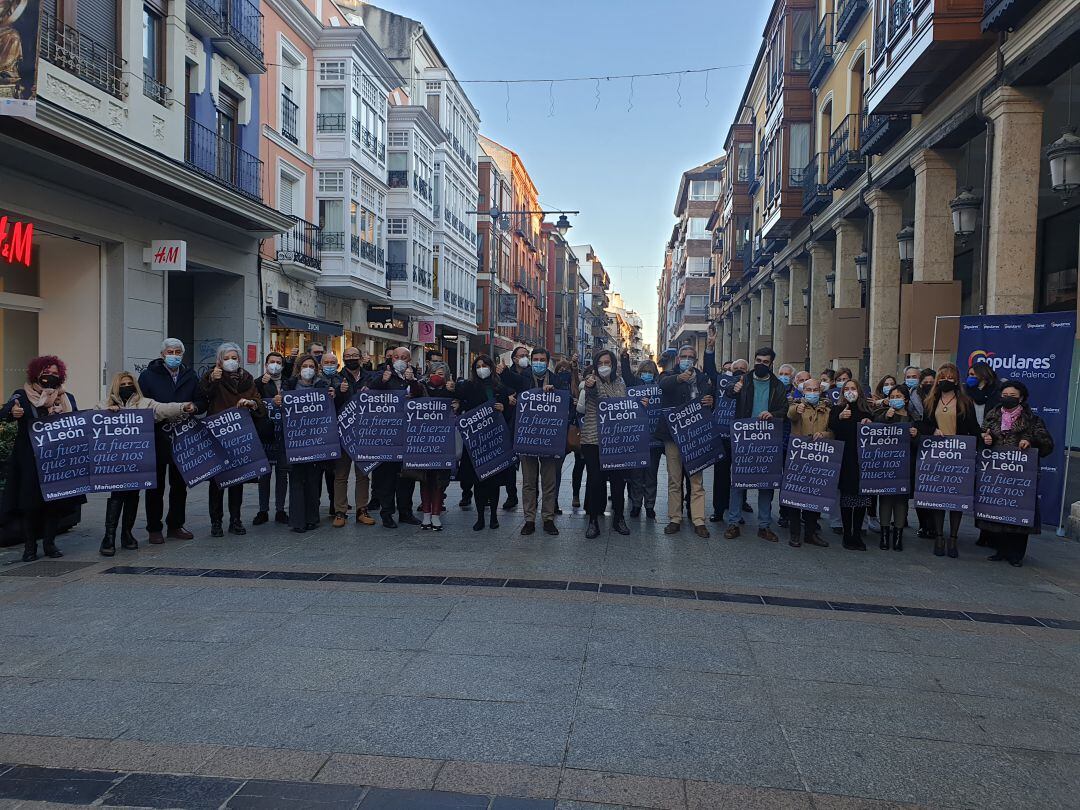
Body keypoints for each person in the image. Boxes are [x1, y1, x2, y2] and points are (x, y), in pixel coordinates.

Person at [98, 372, 194, 556]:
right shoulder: (105, 404)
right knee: (117, 495)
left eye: (129, 383)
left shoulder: (145, 403)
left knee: (133, 495)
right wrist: (106, 413)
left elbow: (164, 408)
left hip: (136, 460)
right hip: (116, 462)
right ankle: (109, 537)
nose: (127, 387)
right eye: (123, 384)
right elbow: (92, 421)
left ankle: (127, 533)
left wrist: (183, 406)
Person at [0, 356, 83, 562]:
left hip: (57, 459)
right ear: (36, 373)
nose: (50, 376)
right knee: (30, 504)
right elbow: (4, 412)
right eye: (46, 372)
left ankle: (49, 543)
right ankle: (30, 546)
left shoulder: (67, 398)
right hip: (29, 459)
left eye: (55, 373)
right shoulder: (21, 395)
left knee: (54, 502)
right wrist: (12, 412)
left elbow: (77, 422)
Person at [978, 381, 1053, 567]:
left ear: (1021, 398)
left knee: (1019, 513)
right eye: (1005, 395)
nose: (1008, 398)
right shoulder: (992, 417)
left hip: (1021, 475)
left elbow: (1047, 445)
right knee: (999, 511)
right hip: (997, 472)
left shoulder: (1032, 420)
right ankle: (1000, 550)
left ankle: (1016, 554)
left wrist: (1030, 440)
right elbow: (981, 439)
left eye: (1012, 395)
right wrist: (985, 438)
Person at [139, 338, 203, 544]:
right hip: (157, 436)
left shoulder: (190, 375)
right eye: (170, 352)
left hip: (182, 437)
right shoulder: (148, 376)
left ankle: (176, 524)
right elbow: (141, 403)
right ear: (162, 354)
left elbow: (202, 400)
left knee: (179, 485)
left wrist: (196, 407)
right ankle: (154, 528)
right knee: (155, 486)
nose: (174, 356)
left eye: (177, 352)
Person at [200, 342, 264, 537]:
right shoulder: (211, 376)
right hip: (218, 434)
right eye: (226, 358)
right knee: (217, 481)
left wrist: (252, 403)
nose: (230, 362)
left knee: (238, 479)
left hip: (239, 435)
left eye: (234, 358)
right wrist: (212, 380)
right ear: (219, 360)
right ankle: (216, 521)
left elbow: (259, 402)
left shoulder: (247, 379)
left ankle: (235, 520)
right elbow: (203, 397)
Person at [724, 348, 787, 543]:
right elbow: (729, 393)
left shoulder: (777, 385)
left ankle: (764, 526)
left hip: (767, 438)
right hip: (744, 436)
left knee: (766, 482)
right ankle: (733, 523)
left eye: (765, 361)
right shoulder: (744, 380)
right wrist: (733, 389)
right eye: (758, 360)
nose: (761, 364)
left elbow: (784, 408)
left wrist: (773, 414)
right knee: (738, 480)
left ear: (771, 364)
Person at [918, 362, 980, 557]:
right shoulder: (931, 400)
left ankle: (953, 537)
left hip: (959, 454)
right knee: (939, 496)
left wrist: (986, 439)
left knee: (956, 497)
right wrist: (932, 430)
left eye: (950, 377)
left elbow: (973, 427)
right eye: (942, 377)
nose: (946, 381)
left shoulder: (964, 402)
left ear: (956, 379)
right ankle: (939, 536)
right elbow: (923, 425)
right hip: (938, 453)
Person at [658, 344, 715, 538]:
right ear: (678, 359)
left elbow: (710, 395)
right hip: (673, 436)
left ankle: (698, 520)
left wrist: (711, 402)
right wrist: (677, 378)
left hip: (695, 436)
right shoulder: (668, 375)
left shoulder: (702, 378)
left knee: (696, 481)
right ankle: (675, 518)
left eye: (691, 357)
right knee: (674, 480)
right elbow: (663, 386)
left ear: (695, 360)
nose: (687, 359)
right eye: (684, 356)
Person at [455, 355, 514, 531]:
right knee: (478, 481)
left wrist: (504, 408)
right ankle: (480, 517)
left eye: (485, 365)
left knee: (494, 482)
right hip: (475, 442)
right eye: (478, 366)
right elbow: (458, 402)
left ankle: (494, 516)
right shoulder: (468, 386)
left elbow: (508, 413)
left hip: (494, 440)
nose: (482, 369)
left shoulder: (500, 387)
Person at [369, 347, 424, 528]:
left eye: (404, 358)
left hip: (408, 435)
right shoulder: (382, 375)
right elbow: (369, 396)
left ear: (409, 361)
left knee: (406, 477)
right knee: (387, 478)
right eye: (396, 357)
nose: (399, 360)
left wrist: (413, 382)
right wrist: (382, 382)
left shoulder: (413, 378)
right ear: (391, 359)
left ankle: (405, 512)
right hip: (387, 435)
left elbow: (422, 398)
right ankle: (387, 513)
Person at [578, 351, 631, 538]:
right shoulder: (592, 381)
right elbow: (591, 391)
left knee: (618, 481)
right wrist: (589, 385)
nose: (604, 365)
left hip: (616, 439)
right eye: (600, 362)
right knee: (595, 480)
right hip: (593, 439)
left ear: (613, 364)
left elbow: (626, 404)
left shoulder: (621, 382)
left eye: (607, 362)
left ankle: (619, 519)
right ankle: (593, 521)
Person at [516, 348, 567, 537]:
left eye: (542, 360)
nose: (538, 362)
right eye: (535, 359)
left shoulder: (556, 380)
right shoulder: (522, 378)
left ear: (547, 362)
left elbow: (566, 399)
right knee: (529, 481)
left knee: (549, 481)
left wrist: (554, 393)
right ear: (531, 361)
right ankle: (529, 519)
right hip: (527, 437)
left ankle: (548, 518)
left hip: (549, 438)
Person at [828, 378, 876, 551]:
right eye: (846, 388)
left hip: (863, 460)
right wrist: (840, 417)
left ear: (859, 391)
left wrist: (870, 424)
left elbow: (876, 431)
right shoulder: (837, 409)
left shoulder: (867, 411)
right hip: (846, 459)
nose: (850, 391)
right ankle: (847, 534)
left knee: (861, 498)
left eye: (853, 388)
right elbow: (831, 427)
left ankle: (857, 533)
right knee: (847, 497)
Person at [784, 377, 832, 548]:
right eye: (808, 390)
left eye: (815, 390)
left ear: (820, 391)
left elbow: (832, 430)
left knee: (814, 494)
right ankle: (795, 534)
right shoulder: (797, 405)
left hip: (818, 456)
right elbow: (790, 415)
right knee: (795, 496)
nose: (812, 393)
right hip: (799, 456)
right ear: (803, 391)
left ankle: (811, 533)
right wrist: (797, 409)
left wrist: (825, 435)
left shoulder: (827, 409)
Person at [332, 346, 376, 527]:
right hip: (343, 432)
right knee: (341, 475)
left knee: (363, 474)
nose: (351, 358)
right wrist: (338, 392)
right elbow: (329, 403)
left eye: (354, 356)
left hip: (364, 432)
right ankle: (340, 511)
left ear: (360, 358)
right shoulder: (336, 378)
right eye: (347, 356)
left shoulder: (370, 377)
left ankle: (362, 509)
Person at [873, 382, 917, 552]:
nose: (895, 400)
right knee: (885, 500)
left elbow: (919, 444)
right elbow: (873, 431)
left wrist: (916, 435)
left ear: (905, 399)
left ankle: (898, 536)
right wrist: (886, 418)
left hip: (904, 465)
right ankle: (884, 535)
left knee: (901, 501)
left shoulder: (913, 418)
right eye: (892, 397)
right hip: (886, 464)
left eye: (898, 397)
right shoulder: (883, 414)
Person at [417, 363, 456, 530]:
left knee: (440, 480)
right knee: (425, 479)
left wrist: (454, 396)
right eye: (433, 373)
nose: (436, 376)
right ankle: (426, 513)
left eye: (440, 373)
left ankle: (436, 514)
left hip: (442, 441)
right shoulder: (420, 387)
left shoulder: (451, 389)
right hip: (423, 440)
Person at [624, 356, 662, 520]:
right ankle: (636, 504)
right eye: (644, 372)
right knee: (636, 475)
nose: (647, 375)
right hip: (636, 438)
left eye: (650, 372)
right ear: (639, 373)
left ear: (655, 374)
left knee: (651, 474)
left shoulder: (660, 387)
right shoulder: (633, 386)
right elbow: (626, 376)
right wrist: (624, 358)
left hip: (654, 439)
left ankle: (650, 506)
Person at [254, 352, 289, 526]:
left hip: (284, 434)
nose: (275, 365)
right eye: (271, 362)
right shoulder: (258, 382)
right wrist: (261, 384)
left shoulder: (289, 382)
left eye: (278, 362)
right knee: (264, 474)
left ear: (282, 365)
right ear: (266, 364)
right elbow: (253, 401)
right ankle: (263, 510)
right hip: (265, 433)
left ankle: (280, 509)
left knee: (282, 473)